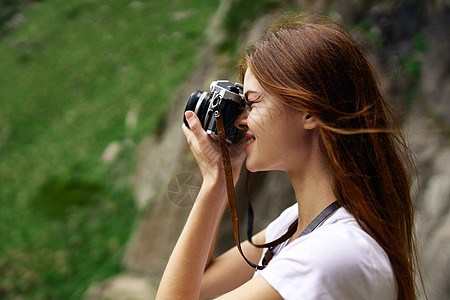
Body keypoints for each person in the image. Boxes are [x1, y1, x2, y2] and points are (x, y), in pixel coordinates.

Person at [156, 14, 420, 300]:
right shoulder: (296, 225)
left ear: (309, 111)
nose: (240, 121)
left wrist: (213, 181)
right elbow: (199, 280)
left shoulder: (330, 256)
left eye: (252, 103)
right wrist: (220, 179)